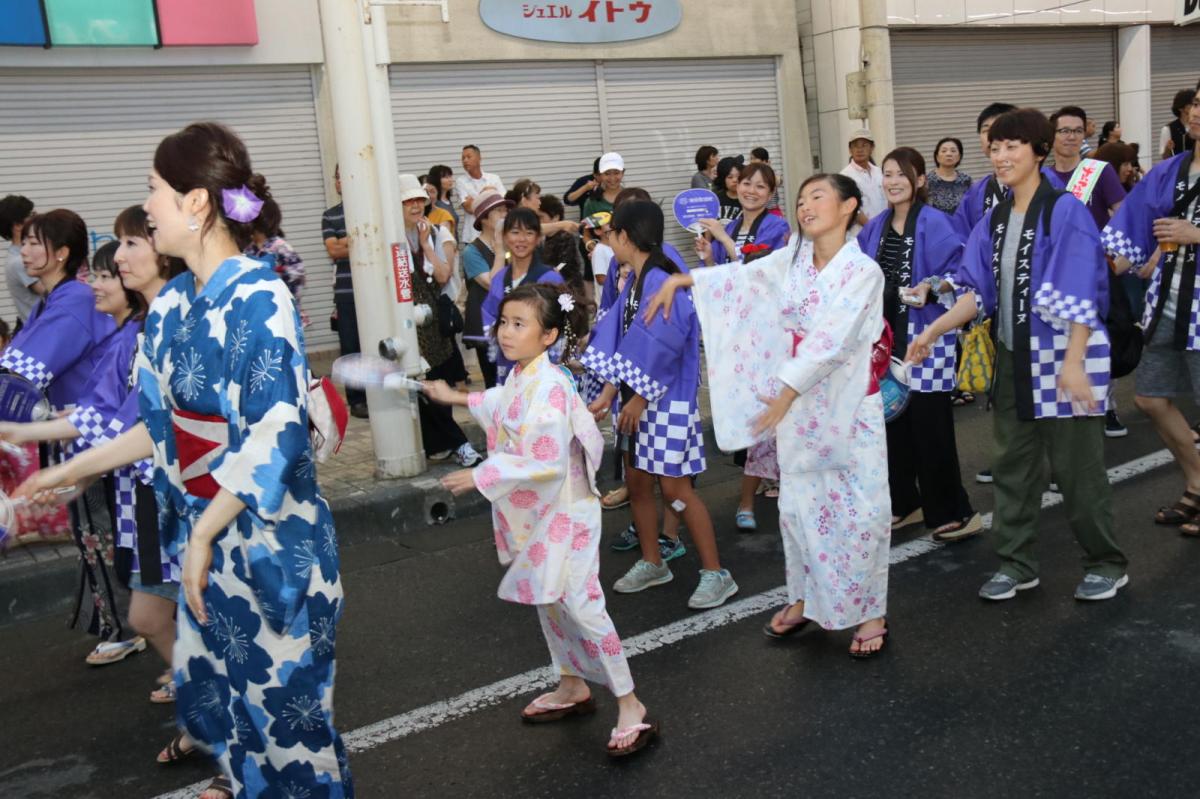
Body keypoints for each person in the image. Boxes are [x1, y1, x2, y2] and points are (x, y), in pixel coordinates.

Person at [18, 121, 355, 799]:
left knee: (294, 739)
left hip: (270, 551)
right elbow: (159, 427)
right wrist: (65, 470)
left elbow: (277, 433)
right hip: (206, 549)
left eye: (155, 190)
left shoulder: (261, 297)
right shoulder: (171, 305)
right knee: (240, 731)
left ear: (197, 202)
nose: (147, 206)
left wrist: (202, 533)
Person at [645, 174, 891, 655]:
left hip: (846, 408)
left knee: (861, 513)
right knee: (800, 510)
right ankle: (803, 598)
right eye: (801, 199)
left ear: (849, 207)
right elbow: (745, 277)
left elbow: (834, 339)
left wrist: (783, 392)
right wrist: (684, 278)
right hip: (798, 405)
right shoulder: (795, 258)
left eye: (818, 196)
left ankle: (870, 611)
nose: (806, 206)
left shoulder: (863, 271)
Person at [425, 282, 657, 757]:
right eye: (504, 322)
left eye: (519, 324)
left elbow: (546, 460)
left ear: (549, 335)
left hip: (568, 512)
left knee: (582, 604)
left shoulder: (549, 387)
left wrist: (481, 475)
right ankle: (573, 685)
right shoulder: (522, 377)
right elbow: (499, 405)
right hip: (544, 513)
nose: (506, 333)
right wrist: (452, 396)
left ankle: (631, 704)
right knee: (550, 602)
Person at [912, 108, 1128, 602]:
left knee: (1078, 471)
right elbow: (976, 290)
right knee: (1012, 466)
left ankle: (1107, 562)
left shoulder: (1065, 209)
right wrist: (935, 331)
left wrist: (1073, 362)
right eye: (995, 147)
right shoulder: (995, 218)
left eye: (1012, 146)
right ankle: (1017, 562)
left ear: (1039, 151)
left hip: (1063, 359)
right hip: (1014, 358)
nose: (1001, 156)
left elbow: (1082, 286)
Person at [582, 200, 738, 611]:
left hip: (666, 403)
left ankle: (716, 573)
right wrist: (609, 395)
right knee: (636, 482)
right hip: (637, 403)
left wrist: (635, 397)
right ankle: (653, 561)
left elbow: (666, 347)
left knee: (675, 489)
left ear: (626, 236)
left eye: (611, 232)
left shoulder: (660, 278)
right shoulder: (634, 278)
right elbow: (624, 341)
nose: (608, 239)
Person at [3, 209, 123, 656]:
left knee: (99, 528)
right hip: (73, 429)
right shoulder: (54, 299)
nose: (26, 251)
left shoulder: (71, 299)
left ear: (63, 253)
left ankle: (125, 625)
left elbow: (24, 366)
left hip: (88, 431)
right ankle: (123, 620)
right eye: (25, 242)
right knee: (93, 528)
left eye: (36, 243)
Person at [858, 147, 980, 542]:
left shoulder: (935, 222)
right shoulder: (873, 227)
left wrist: (934, 285)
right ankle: (905, 502)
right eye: (888, 174)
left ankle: (955, 511)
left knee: (931, 428)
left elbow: (961, 273)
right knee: (892, 429)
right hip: (885, 343)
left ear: (920, 180)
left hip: (927, 340)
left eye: (901, 174)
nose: (892, 181)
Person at [1103, 87, 1200, 535]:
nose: (1196, 113)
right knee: (1150, 398)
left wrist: (1195, 233)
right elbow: (1128, 239)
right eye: (1194, 104)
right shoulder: (1169, 171)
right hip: (1166, 305)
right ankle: (1197, 483)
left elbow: (1182, 231)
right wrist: (1092, 267)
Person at [695, 162, 792, 531]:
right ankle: (770, 483)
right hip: (734, 335)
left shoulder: (777, 226)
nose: (751, 190)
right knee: (744, 409)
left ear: (770, 194)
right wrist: (707, 256)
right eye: (746, 183)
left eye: (760, 187)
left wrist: (722, 239)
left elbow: (758, 273)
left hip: (767, 334)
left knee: (764, 414)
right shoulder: (732, 225)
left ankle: (748, 499)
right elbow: (724, 276)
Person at [1045, 105, 1129, 438]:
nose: (1070, 136)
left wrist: (1115, 256)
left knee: (1098, 337)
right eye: (1063, 130)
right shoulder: (1042, 176)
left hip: (1093, 271)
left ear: (1085, 135)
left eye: (1077, 130)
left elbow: (1121, 214)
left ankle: (1105, 405)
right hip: (1053, 274)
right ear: (1050, 136)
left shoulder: (1098, 171)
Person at [399, 173, 482, 467]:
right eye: (407, 201)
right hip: (409, 326)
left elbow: (444, 275)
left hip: (437, 321)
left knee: (442, 381)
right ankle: (455, 443)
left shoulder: (438, 232)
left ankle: (444, 444)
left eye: (418, 200)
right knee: (424, 387)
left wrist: (426, 244)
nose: (415, 206)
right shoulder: (391, 239)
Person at [482, 208, 566, 383]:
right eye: (515, 232)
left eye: (529, 233)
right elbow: (489, 314)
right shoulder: (499, 278)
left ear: (537, 238)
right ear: (505, 237)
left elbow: (559, 323)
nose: (521, 239)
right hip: (507, 359)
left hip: (542, 364)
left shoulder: (550, 277)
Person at [322, 165, 367, 418]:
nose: (342, 183)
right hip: (346, 291)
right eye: (339, 178)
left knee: (375, 344)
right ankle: (357, 399)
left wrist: (346, 241)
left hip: (373, 291)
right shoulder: (330, 216)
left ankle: (377, 395)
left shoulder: (370, 211)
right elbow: (334, 251)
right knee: (351, 346)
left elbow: (377, 241)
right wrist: (360, 239)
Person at [462, 191, 512, 389]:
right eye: (499, 211)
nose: (505, 215)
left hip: (512, 322)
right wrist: (500, 250)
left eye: (506, 210)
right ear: (483, 218)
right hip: (487, 325)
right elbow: (493, 285)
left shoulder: (512, 243)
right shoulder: (471, 251)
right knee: (495, 382)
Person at [244, 197, 305, 318]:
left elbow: (297, 276)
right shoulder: (247, 249)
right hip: (255, 309)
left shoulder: (280, 247)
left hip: (281, 309)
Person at [0, 194, 40, 327]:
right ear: (17, 225)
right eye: (32, 215)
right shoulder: (19, 261)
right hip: (39, 331)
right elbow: (51, 290)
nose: (37, 218)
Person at [456, 144, 506, 245]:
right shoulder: (460, 182)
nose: (465, 160)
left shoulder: (494, 178)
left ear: (479, 158)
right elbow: (469, 208)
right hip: (472, 236)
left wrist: (475, 200)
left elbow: (502, 204)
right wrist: (488, 193)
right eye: (463, 158)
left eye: (468, 157)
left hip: (495, 235)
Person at [840, 129, 886, 225]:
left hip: (884, 230)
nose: (859, 150)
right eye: (855, 146)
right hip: (861, 234)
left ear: (872, 148)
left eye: (864, 145)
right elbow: (852, 208)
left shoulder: (879, 172)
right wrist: (871, 228)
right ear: (850, 150)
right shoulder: (845, 176)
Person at [927, 137, 973, 214]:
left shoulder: (966, 180)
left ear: (959, 157)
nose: (948, 154)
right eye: (944, 151)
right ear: (937, 157)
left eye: (953, 151)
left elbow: (971, 206)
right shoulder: (927, 180)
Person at [583, 153, 626, 219]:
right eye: (607, 173)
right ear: (601, 175)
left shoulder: (632, 198)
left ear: (622, 173)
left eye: (616, 173)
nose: (612, 178)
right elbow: (587, 228)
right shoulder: (592, 202)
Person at [1161, 89, 1197, 161]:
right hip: (1179, 169)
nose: (1195, 107)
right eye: (1192, 104)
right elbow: (1164, 158)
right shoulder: (1168, 129)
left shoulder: (1197, 125)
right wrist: (1167, 149)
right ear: (1181, 108)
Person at [427, 163, 459, 233]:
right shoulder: (434, 203)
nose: (450, 180)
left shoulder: (448, 201)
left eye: (450, 176)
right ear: (436, 179)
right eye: (446, 177)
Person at [713, 156, 743, 221]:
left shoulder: (748, 200)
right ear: (722, 179)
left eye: (738, 176)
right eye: (730, 177)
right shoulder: (716, 200)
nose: (735, 180)